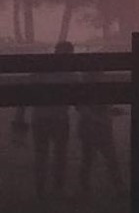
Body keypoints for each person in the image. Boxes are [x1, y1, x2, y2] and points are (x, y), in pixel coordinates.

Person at [32, 41, 75, 198]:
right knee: (59, 153)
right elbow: (77, 97)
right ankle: (56, 188)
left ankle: (41, 189)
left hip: (41, 117)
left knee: (42, 153)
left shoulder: (41, 68)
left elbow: (28, 89)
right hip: (58, 117)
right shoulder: (71, 73)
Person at [76, 72, 125, 195]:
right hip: (97, 128)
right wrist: (105, 117)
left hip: (92, 128)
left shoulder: (84, 91)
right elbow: (85, 111)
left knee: (90, 159)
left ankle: (85, 187)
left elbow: (84, 110)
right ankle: (118, 186)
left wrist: (110, 112)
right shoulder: (97, 90)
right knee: (108, 158)